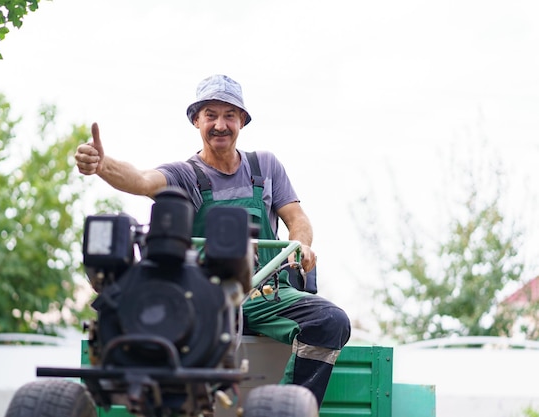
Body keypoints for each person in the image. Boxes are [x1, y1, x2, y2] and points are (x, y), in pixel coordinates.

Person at [74, 74, 351, 408]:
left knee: (330, 321)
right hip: (205, 301)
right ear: (196, 120)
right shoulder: (185, 174)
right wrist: (103, 165)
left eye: (229, 115)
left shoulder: (265, 166)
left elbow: (297, 219)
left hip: (265, 295)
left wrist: (301, 244)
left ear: (242, 122)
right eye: (210, 115)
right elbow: (143, 180)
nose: (220, 124)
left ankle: (289, 406)